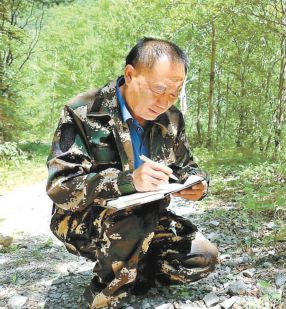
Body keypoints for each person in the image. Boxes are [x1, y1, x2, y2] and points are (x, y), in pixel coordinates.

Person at [46, 38, 219, 308]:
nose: (164, 101)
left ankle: (134, 266)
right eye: (158, 89)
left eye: (174, 93)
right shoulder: (83, 111)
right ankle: (104, 296)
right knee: (135, 218)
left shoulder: (171, 119)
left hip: (148, 218)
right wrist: (128, 181)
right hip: (84, 222)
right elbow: (61, 187)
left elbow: (186, 166)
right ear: (130, 74)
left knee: (200, 258)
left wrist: (198, 184)